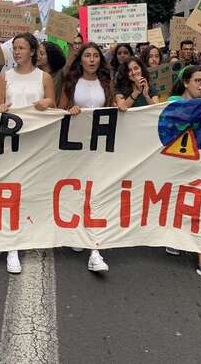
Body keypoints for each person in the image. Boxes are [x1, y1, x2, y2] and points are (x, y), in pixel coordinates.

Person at [0, 32, 55, 274]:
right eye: (15, 48)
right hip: (11, 143)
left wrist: (46, 103)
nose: (17, 52)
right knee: (12, 190)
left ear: (32, 51)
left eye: (21, 48)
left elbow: (53, 105)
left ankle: (33, 234)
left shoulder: (45, 77)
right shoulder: (4, 77)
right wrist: (0, 108)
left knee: (33, 190)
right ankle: (13, 245)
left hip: (36, 143)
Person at [58, 43, 113, 273]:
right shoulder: (71, 82)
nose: (91, 59)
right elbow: (59, 110)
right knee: (78, 191)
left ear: (100, 60)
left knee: (96, 193)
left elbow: (111, 109)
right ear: (80, 60)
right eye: (87, 55)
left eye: (95, 56)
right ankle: (78, 232)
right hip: (76, 146)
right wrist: (69, 110)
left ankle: (94, 250)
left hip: (99, 147)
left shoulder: (106, 83)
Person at [166, 65, 201, 283]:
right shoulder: (173, 103)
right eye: (197, 81)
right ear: (186, 82)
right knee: (177, 202)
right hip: (179, 163)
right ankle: (175, 238)